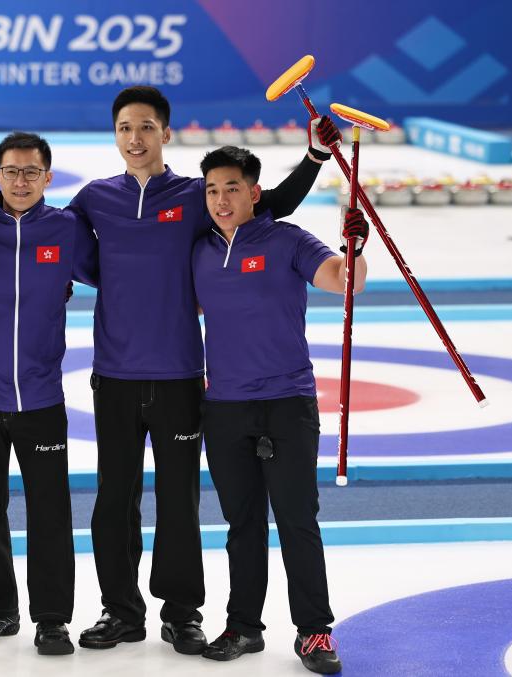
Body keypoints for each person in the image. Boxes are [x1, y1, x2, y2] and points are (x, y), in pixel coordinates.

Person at [0, 86, 341, 654]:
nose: (134, 139)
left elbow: (266, 206)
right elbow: (38, 224)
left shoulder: (195, 196)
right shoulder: (94, 199)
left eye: (145, 128)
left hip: (179, 374)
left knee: (178, 501)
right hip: (114, 374)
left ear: (165, 132)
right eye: (124, 128)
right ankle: (120, 611)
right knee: (114, 500)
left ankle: (182, 613)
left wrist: (314, 157)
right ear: (114, 135)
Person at [192, 146, 367, 674]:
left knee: (296, 519)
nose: (221, 200)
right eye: (212, 190)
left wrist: (356, 247)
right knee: (242, 524)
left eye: (232, 188)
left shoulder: (288, 240)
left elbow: (346, 280)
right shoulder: (199, 251)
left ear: (254, 192)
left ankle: (314, 631)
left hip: (288, 402)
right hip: (224, 406)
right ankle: (243, 626)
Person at [0, 132, 97, 655]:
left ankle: (52, 619)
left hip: (41, 397)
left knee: (50, 512)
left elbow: (118, 273)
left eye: (31, 172)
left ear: (47, 177)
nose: (20, 181)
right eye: (11, 171)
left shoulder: (67, 229)